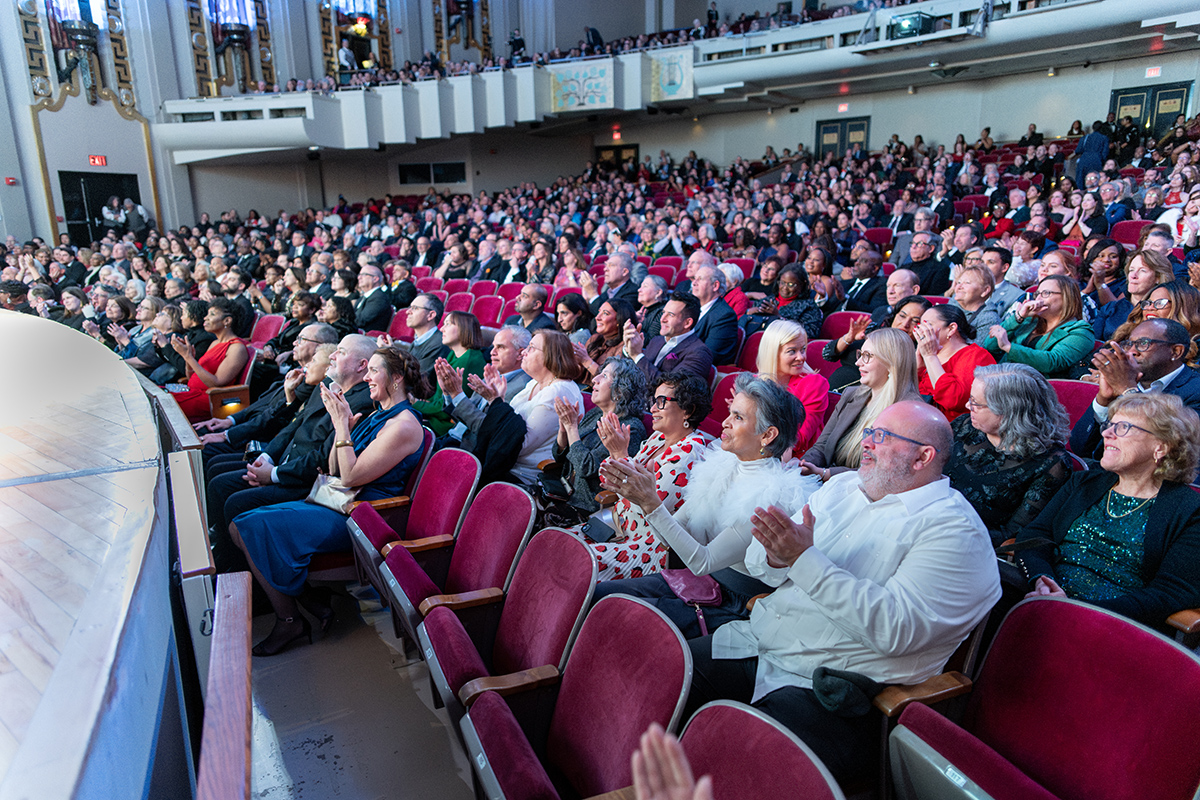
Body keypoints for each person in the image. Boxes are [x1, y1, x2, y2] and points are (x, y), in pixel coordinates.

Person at [684, 400, 999, 781]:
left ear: (923, 457)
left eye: (880, 437)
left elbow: (894, 631)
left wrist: (803, 560)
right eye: (868, 431)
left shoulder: (954, 532)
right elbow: (762, 567)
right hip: (761, 644)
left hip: (832, 691)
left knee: (726, 764)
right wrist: (776, 558)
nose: (866, 443)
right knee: (662, 676)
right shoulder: (844, 488)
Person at [231, 347, 431, 655]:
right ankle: (307, 600)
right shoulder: (378, 415)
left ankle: (290, 620)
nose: (366, 377)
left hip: (363, 516)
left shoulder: (403, 425)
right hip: (341, 501)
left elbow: (349, 476)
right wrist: (344, 432)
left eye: (373, 371)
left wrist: (341, 426)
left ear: (397, 379)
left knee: (249, 527)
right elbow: (333, 468)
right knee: (239, 526)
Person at [593, 374, 816, 639]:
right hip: (690, 579)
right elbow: (671, 534)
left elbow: (704, 561)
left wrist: (651, 502)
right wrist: (644, 500)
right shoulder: (721, 464)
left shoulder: (771, 495)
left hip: (730, 601)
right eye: (730, 413)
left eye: (738, 418)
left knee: (618, 615)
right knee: (596, 595)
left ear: (767, 435)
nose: (725, 422)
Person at [1018, 392, 1200, 630]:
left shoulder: (1190, 510)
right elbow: (1033, 537)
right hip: (1041, 598)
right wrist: (1042, 581)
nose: (1106, 433)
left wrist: (1074, 607)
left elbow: (1170, 593)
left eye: (1123, 427)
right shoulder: (1083, 482)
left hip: (1113, 625)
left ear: (1161, 446)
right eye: (1109, 425)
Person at [586, 373, 711, 581]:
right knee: (560, 547)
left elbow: (646, 511)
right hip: (615, 524)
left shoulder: (690, 453)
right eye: (654, 401)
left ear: (688, 410)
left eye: (661, 402)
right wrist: (618, 455)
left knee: (580, 564)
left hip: (646, 545)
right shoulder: (658, 437)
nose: (652, 408)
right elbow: (612, 485)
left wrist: (620, 455)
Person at [948, 363, 1071, 546]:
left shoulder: (1051, 464)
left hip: (970, 544)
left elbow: (1013, 534)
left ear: (1008, 412)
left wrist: (945, 531)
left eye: (976, 403)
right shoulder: (964, 426)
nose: (967, 406)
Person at [1070, 318, 1200, 459]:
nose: (1131, 352)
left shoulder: (1195, 390)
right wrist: (1103, 400)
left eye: (1143, 343)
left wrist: (1128, 390)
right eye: (1128, 344)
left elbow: (1174, 452)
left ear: (1176, 351)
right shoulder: (1125, 383)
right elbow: (1078, 449)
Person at [801, 328, 922, 474]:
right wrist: (805, 464)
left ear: (891, 363)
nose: (858, 363)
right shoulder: (851, 394)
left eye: (867, 356)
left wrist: (825, 474)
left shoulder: (910, 412)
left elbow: (883, 470)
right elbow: (821, 446)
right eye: (860, 354)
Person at [471, 329, 583, 485]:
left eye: (531, 348)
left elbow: (519, 445)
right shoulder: (534, 383)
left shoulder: (559, 392)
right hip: (507, 466)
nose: (524, 352)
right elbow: (509, 429)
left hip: (524, 476)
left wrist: (496, 401)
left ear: (550, 355)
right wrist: (498, 400)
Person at [546, 357, 647, 520]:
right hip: (560, 491)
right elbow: (559, 456)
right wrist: (564, 430)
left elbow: (586, 468)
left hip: (586, 508)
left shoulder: (630, 428)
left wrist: (572, 429)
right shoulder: (596, 414)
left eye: (605, 376)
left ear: (620, 390)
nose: (595, 379)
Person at [437, 325, 532, 453]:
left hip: (467, 451)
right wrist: (448, 392)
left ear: (520, 354)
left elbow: (487, 428)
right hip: (450, 438)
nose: (492, 352)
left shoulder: (522, 387)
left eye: (501, 347)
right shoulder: (492, 374)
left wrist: (457, 394)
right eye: (493, 346)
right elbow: (464, 415)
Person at [983, 275, 1094, 379]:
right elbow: (990, 346)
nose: (1038, 299)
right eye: (1037, 294)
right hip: (1002, 380)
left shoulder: (1081, 331)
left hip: (1036, 390)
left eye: (1046, 293)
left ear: (1067, 297)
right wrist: (1018, 318)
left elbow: (1053, 362)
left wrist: (1008, 347)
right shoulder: (1029, 320)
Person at [165, 298, 250, 422]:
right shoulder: (215, 343)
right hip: (192, 392)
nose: (205, 318)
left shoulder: (236, 348)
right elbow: (191, 377)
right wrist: (189, 358)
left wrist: (188, 357)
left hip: (210, 399)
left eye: (212, 314)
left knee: (159, 402)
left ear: (227, 320)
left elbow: (216, 383)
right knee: (153, 392)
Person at [822, 295, 930, 391]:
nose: (905, 324)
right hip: (833, 391)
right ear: (895, 315)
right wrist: (849, 338)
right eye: (902, 316)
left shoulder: (917, 353)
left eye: (915, 321)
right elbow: (827, 354)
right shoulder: (873, 330)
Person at [756, 320, 829, 454]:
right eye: (792, 351)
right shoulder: (754, 385)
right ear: (772, 353)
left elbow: (797, 439)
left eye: (803, 349)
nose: (801, 357)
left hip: (797, 461)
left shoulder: (814, 384)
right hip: (757, 451)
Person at [410, 310, 487, 436]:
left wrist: (415, 403)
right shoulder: (453, 354)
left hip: (447, 425)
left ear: (464, 329)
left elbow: (448, 408)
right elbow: (438, 398)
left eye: (448, 324)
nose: (441, 329)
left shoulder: (469, 361)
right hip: (435, 416)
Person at [914, 304, 996, 420]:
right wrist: (918, 370)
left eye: (928, 325)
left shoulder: (976, 356)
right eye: (920, 326)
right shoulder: (927, 356)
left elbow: (954, 400)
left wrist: (930, 357)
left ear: (951, 328)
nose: (922, 331)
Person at [625, 291, 713, 383]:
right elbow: (636, 369)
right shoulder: (657, 340)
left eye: (671, 315)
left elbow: (670, 387)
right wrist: (629, 348)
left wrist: (637, 355)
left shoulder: (699, 352)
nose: (662, 319)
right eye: (663, 313)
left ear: (687, 323)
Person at [1091, 250, 1176, 340]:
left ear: (1158, 277)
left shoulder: (1165, 310)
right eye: (1131, 270)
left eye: (1142, 270)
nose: (1133, 275)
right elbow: (1094, 343)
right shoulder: (1110, 308)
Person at [578, 297, 635, 381]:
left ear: (619, 320)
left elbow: (612, 380)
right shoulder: (595, 338)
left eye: (605, 313)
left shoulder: (625, 346)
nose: (597, 317)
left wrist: (586, 361)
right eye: (599, 312)